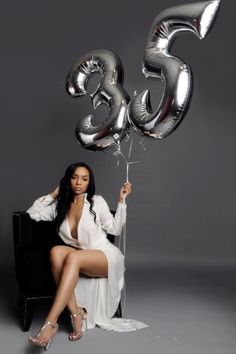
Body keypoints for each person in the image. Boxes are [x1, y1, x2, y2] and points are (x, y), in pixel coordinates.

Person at [27, 162, 147, 350]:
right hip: (82, 255)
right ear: (67, 180)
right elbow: (32, 213)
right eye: (74, 177)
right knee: (56, 252)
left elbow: (115, 228)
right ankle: (77, 313)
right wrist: (54, 193)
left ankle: (50, 323)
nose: (79, 183)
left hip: (105, 257)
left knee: (72, 258)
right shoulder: (60, 205)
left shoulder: (96, 202)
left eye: (84, 179)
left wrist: (122, 200)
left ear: (89, 182)